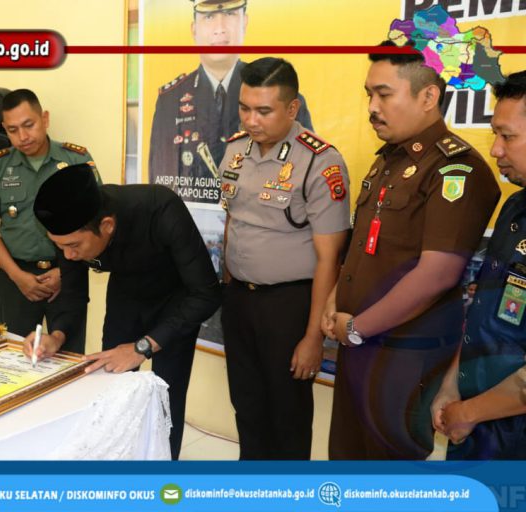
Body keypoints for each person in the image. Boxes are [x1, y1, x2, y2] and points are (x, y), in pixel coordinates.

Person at [322, 41, 501, 459]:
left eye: (384, 94)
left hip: (402, 358)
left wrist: (357, 326)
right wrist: (335, 298)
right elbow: (365, 248)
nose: (372, 106)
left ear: (428, 96)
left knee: (389, 478)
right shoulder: (387, 160)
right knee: (347, 460)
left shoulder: (456, 169)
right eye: (369, 94)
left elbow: (437, 274)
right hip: (358, 346)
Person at [26, 164, 221, 459]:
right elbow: (73, 293)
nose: (68, 255)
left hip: (177, 303)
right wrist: (57, 335)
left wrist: (143, 346)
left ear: (107, 226)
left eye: (73, 246)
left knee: (165, 396)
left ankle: (162, 474)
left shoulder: (160, 208)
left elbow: (207, 294)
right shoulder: (70, 232)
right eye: (60, 246)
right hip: (126, 297)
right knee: (112, 388)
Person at [219, 57, 350, 459]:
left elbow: (330, 258)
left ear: (292, 108)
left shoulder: (320, 161)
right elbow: (232, 219)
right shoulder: (235, 150)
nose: (251, 120)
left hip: (289, 305)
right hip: (239, 299)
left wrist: (313, 338)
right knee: (246, 405)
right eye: (244, 108)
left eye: (263, 111)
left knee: (287, 413)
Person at [431, 70, 526, 459]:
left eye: (508, 136)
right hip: (476, 429)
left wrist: (469, 412)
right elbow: (483, 311)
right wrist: (452, 385)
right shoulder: (514, 208)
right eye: (494, 134)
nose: (495, 150)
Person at [0, 89, 100, 352]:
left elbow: (94, 220)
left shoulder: (76, 159)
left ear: (45, 119)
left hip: (68, 271)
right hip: (16, 277)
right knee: (16, 357)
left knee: (69, 356)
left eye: (28, 125)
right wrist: (18, 276)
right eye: (12, 130)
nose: (23, 136)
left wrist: (64, 273)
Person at [148, 0, 314, 204]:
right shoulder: (170, 100)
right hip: (190, 219)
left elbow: (305, 179)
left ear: (245, 22)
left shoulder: (283, 97)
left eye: (229, 14)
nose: (220, 28)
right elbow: (159, 183)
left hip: (262, 218)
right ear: (194, 29)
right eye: (209, 17)